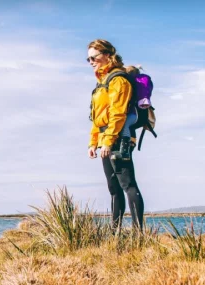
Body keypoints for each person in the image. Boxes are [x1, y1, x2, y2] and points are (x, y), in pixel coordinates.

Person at [87, 39, 144, 230]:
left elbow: (118, 114)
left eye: (94, 57)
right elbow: (97, 118)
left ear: (108, 55)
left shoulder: (118, 80)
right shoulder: (101, 82)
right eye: (88, 59)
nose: (91, 62)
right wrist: (93, 142)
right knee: (113, 188)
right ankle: (114, 233)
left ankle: (138, 235)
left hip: (119, 137)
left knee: (128, 184)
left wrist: (109, 142)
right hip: (105, 139)